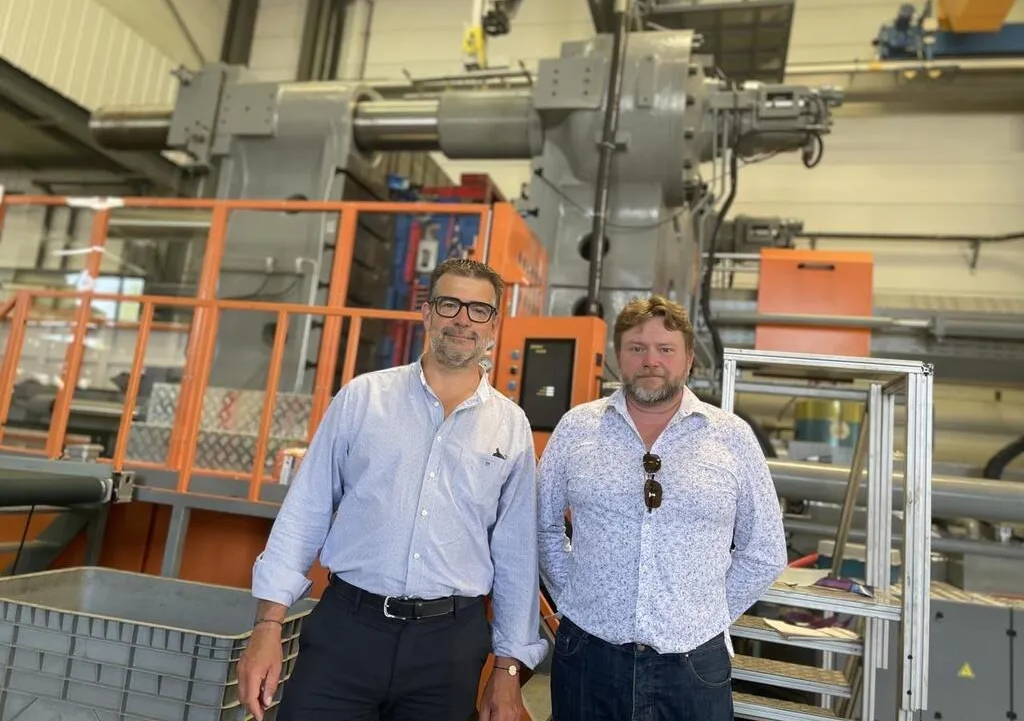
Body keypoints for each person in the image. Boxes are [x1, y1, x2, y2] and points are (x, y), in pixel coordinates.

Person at [238, 257, 547, 721]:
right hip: (347, 632)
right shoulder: (363, 398)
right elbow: (305, 511)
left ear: (493, 325)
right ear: (426, 313)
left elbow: (516, 555)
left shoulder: (510, 425)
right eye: (449, 304)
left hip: (447, 648)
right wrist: (267, 624)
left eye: (478, 310)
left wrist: (508, 667)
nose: (462, 319)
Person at [536, 295, 787, 721]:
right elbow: (542, 527)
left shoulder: (731, 438)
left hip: (693, 665)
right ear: (619, 357)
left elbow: (764, 551)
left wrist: (701, 616)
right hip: (588, 657)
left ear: (689, 359)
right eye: (637, 348)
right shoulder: (577, 428)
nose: (650, 360)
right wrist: (575, 596)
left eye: (665, 349)